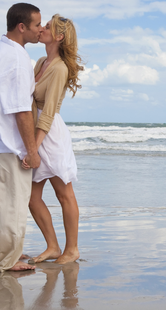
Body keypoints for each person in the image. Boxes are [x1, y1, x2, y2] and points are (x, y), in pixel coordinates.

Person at [24, 14, 83, 265]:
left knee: (64, 194)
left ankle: (72, 250)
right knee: (31, 196)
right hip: (34, 131)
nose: (42, 29)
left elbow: (48, 112)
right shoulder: (40, 62)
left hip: (49, 135)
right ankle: (53, 246)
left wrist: (33, 147)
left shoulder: (59, 67)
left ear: (58, 36)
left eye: (47, 27)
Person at [0, 3, 43, 272]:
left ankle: (8, 251)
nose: (41, 30)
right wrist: (31, 150)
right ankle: (8, 259)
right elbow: (21, 110)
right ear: (22, 27)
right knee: (13, 205)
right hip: (9, 143)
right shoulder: (17, 59)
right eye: (37, 25)